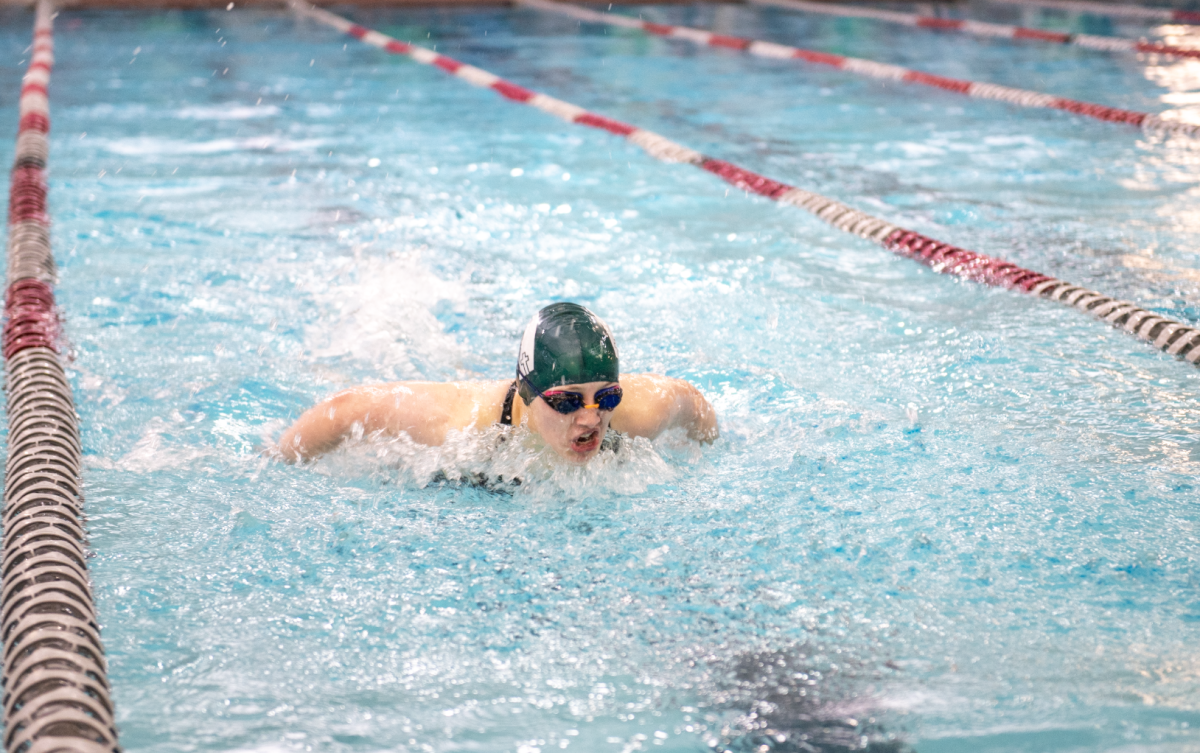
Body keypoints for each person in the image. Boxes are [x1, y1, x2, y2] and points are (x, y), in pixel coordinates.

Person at [278, 302, 718, 464]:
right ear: (527, 394)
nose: (591, 418)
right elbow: (350, 407)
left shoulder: (640, 413)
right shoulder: (462, 424)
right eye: (566, 401)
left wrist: (709, 452)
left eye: (606, 396)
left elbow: (693, 403)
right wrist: (277, 465)